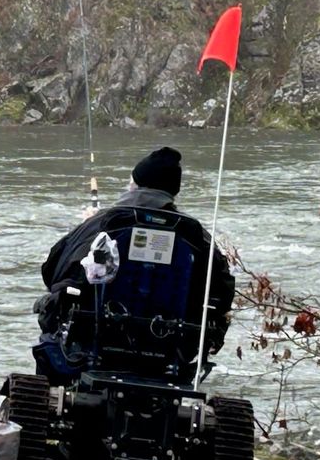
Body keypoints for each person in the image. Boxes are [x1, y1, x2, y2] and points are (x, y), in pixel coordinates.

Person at [36, 146, 235, 375]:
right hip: (169, 346)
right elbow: (222, 292)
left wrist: (89, 236)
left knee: (57, 301)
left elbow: (53, 270)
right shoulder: (193, 235)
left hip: (95, 339)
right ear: (173, 191)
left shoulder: (105, 223)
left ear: (136, 184)